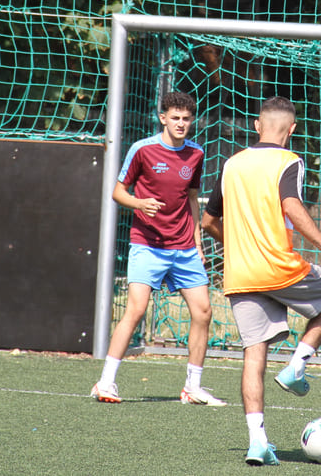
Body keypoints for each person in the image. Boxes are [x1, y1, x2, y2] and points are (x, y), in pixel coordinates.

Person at [201, 95, 321, 466]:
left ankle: (258, 443)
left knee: (253, 355)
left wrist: (241, 246)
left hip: (240, 272)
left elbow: (208, 221)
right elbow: (291, 205)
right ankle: (296, 366)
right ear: (292, 129)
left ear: (257, 126)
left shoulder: (231, 163)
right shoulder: (290, 161)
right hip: (278, 267)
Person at [91, 90, 226, 406]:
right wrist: (140, 203)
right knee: (136, 309)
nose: (181, 124)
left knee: (203, 312)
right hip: (147, 245)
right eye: (175, 118)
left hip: (184, 248)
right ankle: (105, 382)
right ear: (163, 118)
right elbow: (117, 192)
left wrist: (197, 243)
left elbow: (192, 198)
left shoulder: (196, 153)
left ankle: (192, 387)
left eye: (186, 119)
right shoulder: (142, 150)